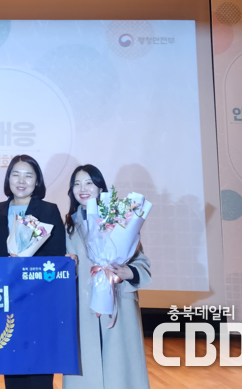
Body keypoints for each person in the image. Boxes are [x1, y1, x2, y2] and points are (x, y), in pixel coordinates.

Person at [63, 164, 151, 389]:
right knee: (86, 369)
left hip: (118, 303)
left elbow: (141, 261)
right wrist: (67, 266)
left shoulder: (120, 220)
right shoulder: (68, 226)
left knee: (120, 370)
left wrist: (128, 272)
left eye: (89, 183)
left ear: (101, 188)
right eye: (77, 184)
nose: (82, 188)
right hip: (83, 307)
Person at [0, 154, 66, 389]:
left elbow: (56, 255)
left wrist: (26, 264)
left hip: (39, 300)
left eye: (28, 175)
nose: (21, 181)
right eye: (16, 174)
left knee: (40, 368)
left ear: (37, 181)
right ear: (8, 179)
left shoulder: (49, 210)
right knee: (13, 367)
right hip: (5, 300)